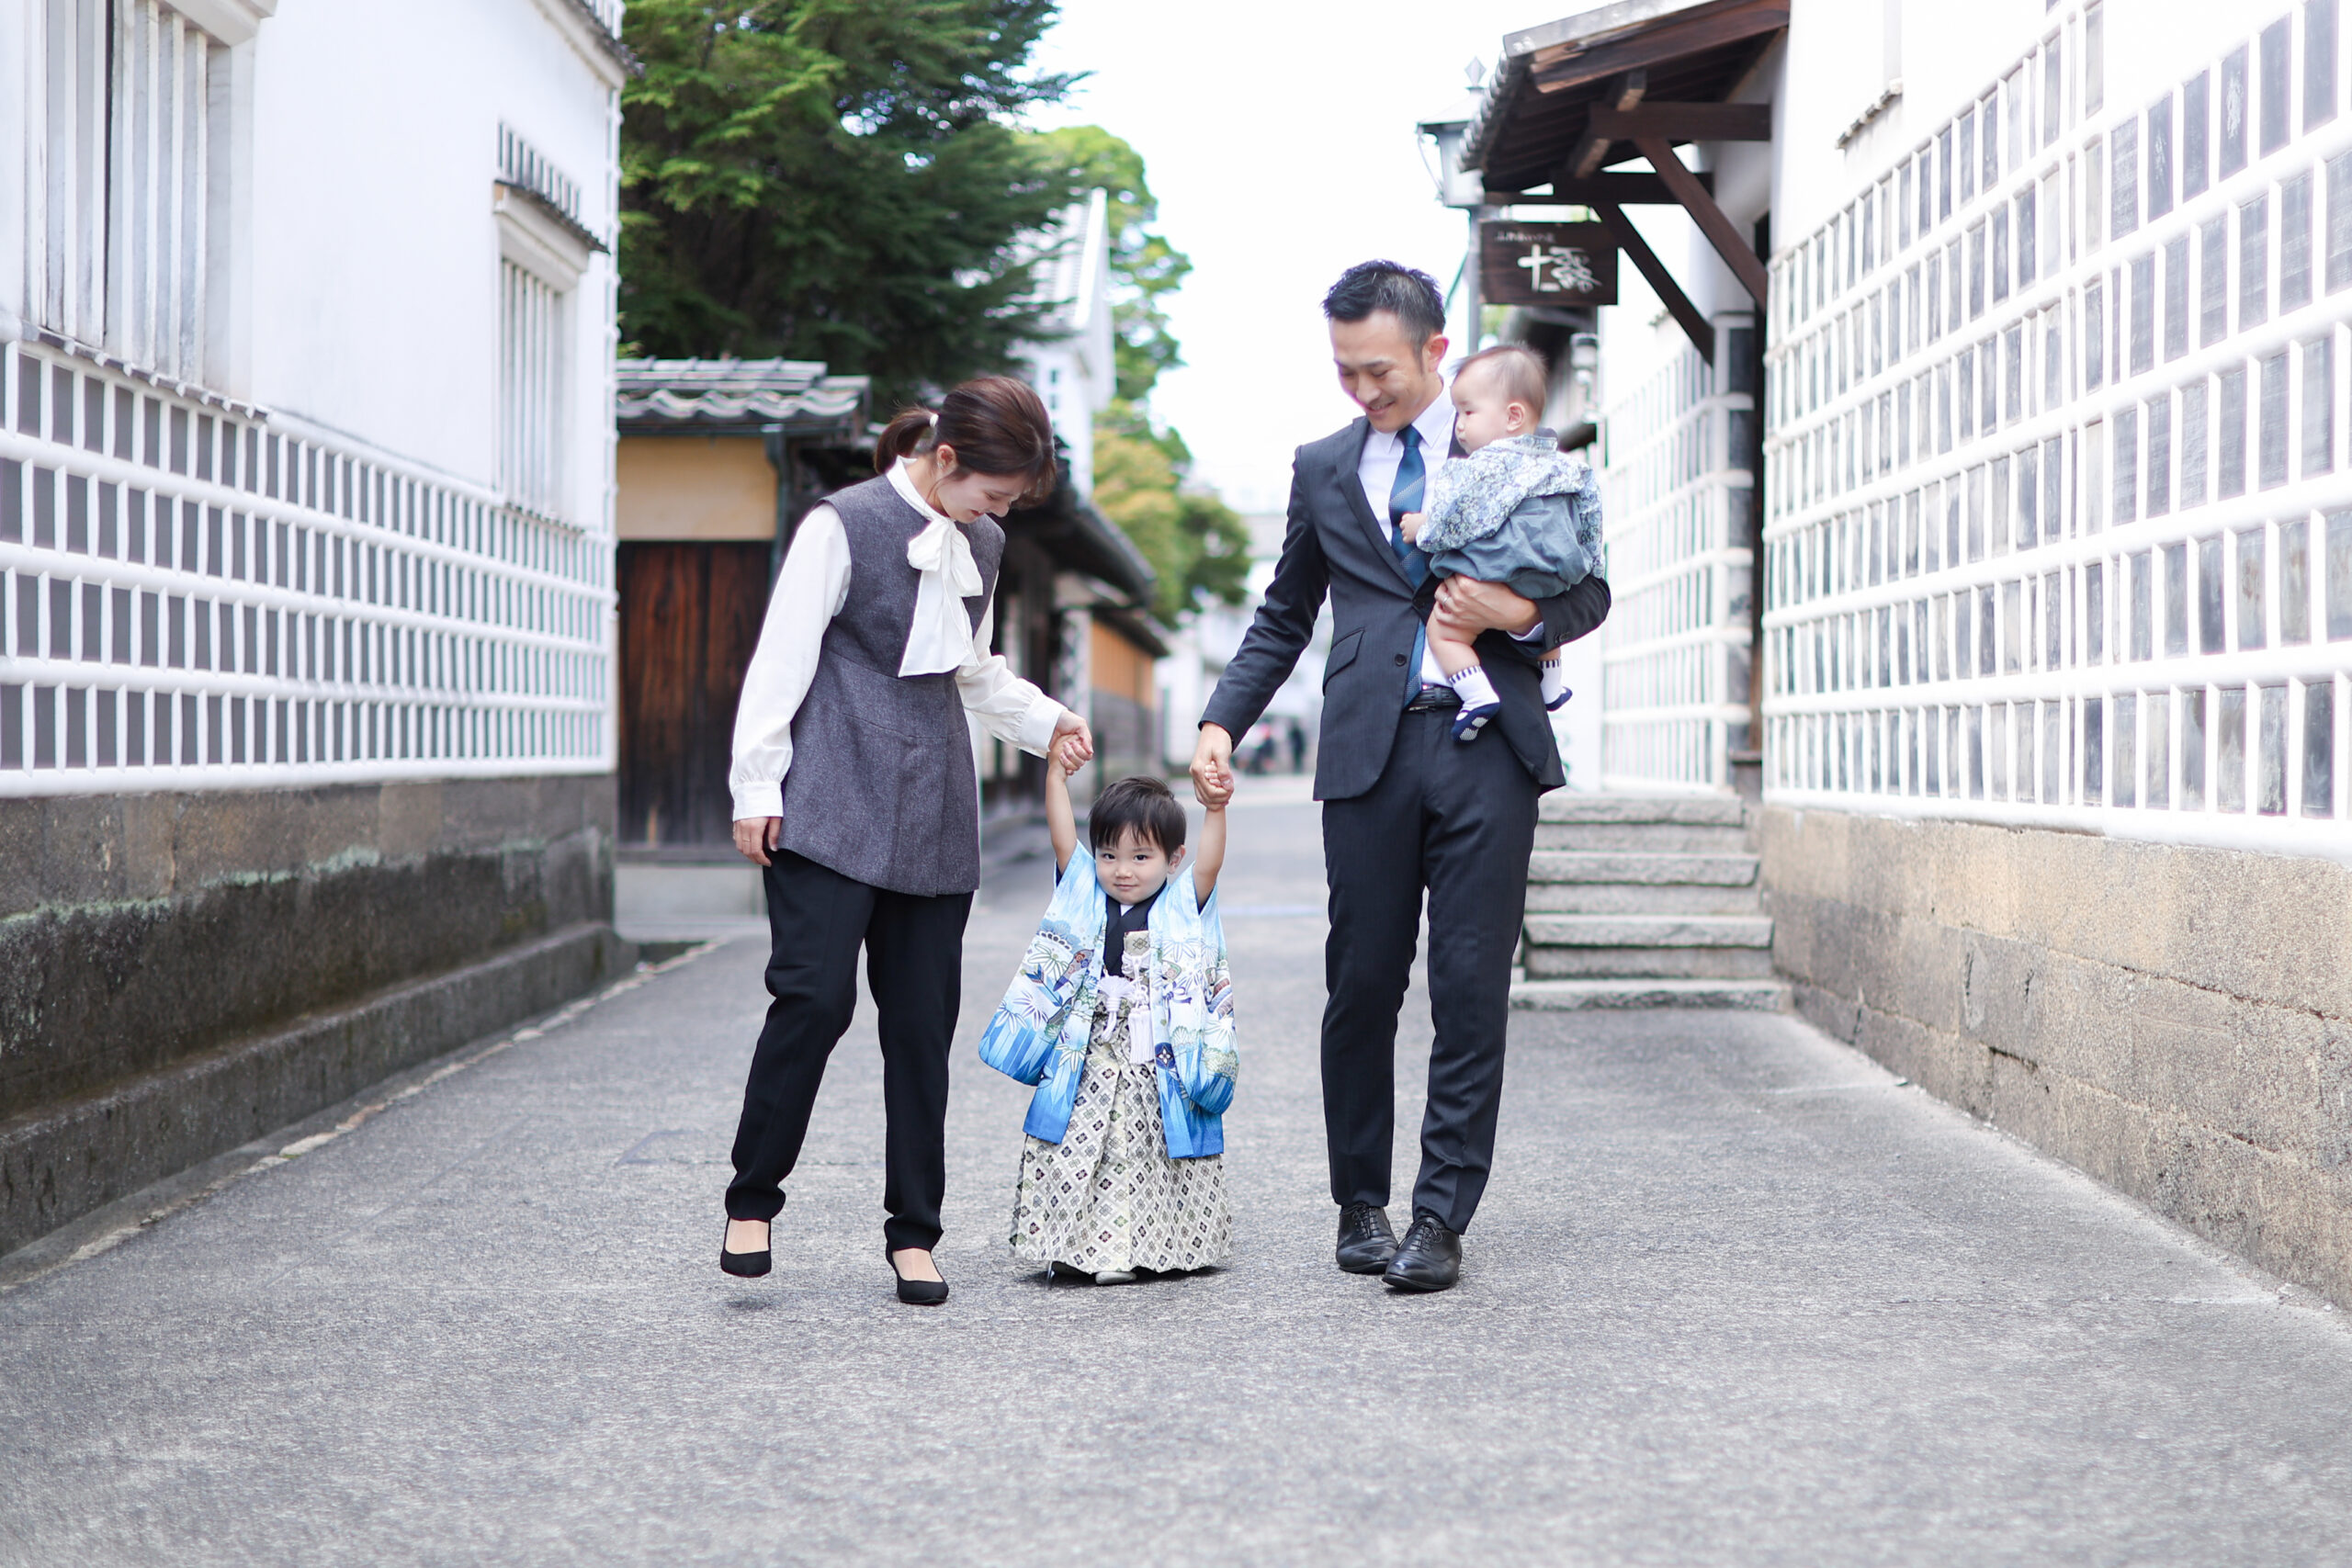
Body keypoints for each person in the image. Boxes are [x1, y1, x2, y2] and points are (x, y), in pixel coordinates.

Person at [1191, 261, 1611, 1293]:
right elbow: (1286, 611)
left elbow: (1588, 590)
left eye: (1377, 369)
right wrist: (1220, 719)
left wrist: (1516, 618)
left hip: (1486, 746)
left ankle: (1440, 1215)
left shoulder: (1513, 454)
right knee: (1363, 983)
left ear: (1432, 351)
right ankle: (1359, 1204)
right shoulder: (1325, 466)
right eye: (1344, 372)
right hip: (1367, 750)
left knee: (1469, 987)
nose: (1363, 391)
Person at [721, 375, 1094, 1306]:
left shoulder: (984, 539)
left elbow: (969, 667)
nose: (997, 513)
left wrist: (1048, 721)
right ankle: (752, 1199)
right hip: (831, 783)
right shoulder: (841, 524)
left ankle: (914, 1234)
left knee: (921, 1027)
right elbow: (782, 657)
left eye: (1006, 504)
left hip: (932, 795)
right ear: (948, 459)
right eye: (993, 493)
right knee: (811, 999)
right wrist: (756, 784)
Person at [977, 757, 1236, 1285]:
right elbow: (1061, 841)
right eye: (1109, 855)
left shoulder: (1181, 904)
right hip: (1091, 1058)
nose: (1123, 869)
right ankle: (1079, 1246)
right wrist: (1055, 778)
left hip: (1154, 1060)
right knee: (1081, 1149)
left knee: (1145, 1154)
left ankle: (1154, 1245)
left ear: (1172, 858)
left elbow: (1210, 866)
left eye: (1142, 857)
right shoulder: (1086, 897)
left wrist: (1215, 810)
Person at [1398, 344, 1604, 739]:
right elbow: (1591, 521)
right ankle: (1551, 685)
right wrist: (1591, 564)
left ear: (1512, 416)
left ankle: (1476, 694)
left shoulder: (1477, 467)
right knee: (1544, 622)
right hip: (1556, 573)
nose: (1459, 424)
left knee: (1446, 630)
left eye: (1468, 412)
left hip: (1496, 570)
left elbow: (1456, 523)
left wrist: (1422, 530)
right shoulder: (1568, 466)